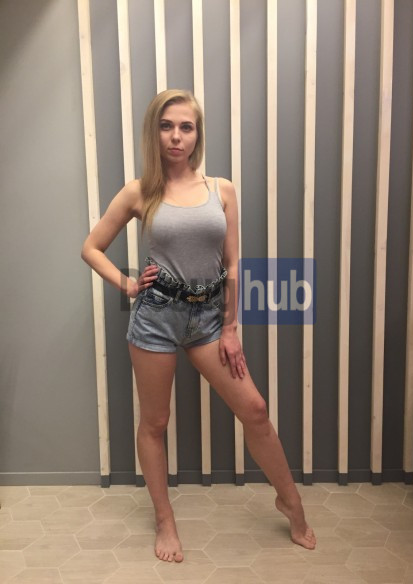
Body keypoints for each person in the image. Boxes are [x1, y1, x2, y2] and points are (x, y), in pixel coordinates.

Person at [81, 89, 316, 563]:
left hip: (209, 319)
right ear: (154, 132)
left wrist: (230, 328)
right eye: (166, 126)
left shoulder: (221, 189)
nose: (176, 136)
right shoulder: (139, 191)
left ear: (197, 134)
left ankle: (290, 502)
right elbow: (91, 247)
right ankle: (164, 520)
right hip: (155, 318)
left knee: (255, 409)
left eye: (185, 127)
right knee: (155, 423)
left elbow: (233, 264)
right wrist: (128, 284)